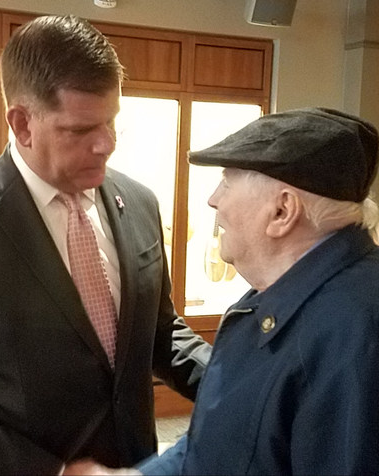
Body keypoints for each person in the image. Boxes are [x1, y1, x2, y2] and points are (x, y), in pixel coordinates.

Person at [0, 14, 211, 475]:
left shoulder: (139, 202)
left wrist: (236, 375)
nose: (106, 145)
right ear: (21, 123)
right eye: (81, 130)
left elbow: (158, 332)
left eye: (112, 122)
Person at [72, 107, 379, 475]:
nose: (213, 199)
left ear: (282, 211)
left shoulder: (357, 335)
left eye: (228, 182)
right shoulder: (273, 296)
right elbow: (223, 441)